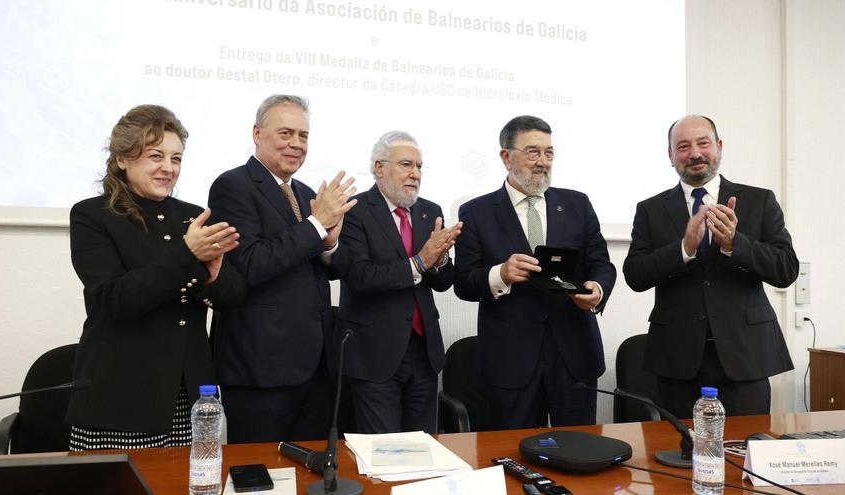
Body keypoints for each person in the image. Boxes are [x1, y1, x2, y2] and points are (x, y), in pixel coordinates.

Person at [66, 104, 245, 450]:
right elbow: (115, 300)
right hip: (120, 393)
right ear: (122, 158)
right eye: (155, 156)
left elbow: (234, 295)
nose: (168, 168)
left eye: (176, 158)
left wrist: (213, 275)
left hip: (188, 393)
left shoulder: (194, 217)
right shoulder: (92, 215)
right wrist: (186, 255)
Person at [622, 114, 799, 419]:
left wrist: (735, 244)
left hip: (744, 357)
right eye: (682, 146)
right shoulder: (650, 209)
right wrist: (684, 249)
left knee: (745, 454)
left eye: (703, 143)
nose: (694, 153)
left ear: (718, 146)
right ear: (670, 156)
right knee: (677, 457)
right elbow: (635, 275)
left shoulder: (759, 200)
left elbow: (786, 269)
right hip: (677, 362)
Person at [208, 95, 357, 443]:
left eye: (303, 136)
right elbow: (250, 263)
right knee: (263, 476)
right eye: (286, 133)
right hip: (260, 367)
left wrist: (330, 243)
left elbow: (326, 269)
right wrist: (317, 226)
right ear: (257, 133)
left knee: (310, 472)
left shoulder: (305, 192)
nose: (296, 144)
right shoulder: (233, 186)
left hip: (315, 365)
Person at [453, 115, 616, 429]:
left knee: (581, 450)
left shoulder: (577, 204)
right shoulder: (476, 212)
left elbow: (601, 263)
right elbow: (463, 282)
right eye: (532, 152)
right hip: (510, 359)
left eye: (549, 152)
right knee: (515, 454)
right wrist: (500, 273)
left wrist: (596, 288)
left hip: (574, 354)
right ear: (506, 156)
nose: (543, 161)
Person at [333, 131, 461, 434]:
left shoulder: (431, 211)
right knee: (382, 453)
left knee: (424, 448)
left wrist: (440, 260)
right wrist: (420, 262)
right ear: (379, 168)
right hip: (374, 353)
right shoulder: (353, 211)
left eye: (419, 167)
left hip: (424, 351)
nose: (415, 174)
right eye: (406, 165)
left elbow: (443, 281)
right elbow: (360, 277)